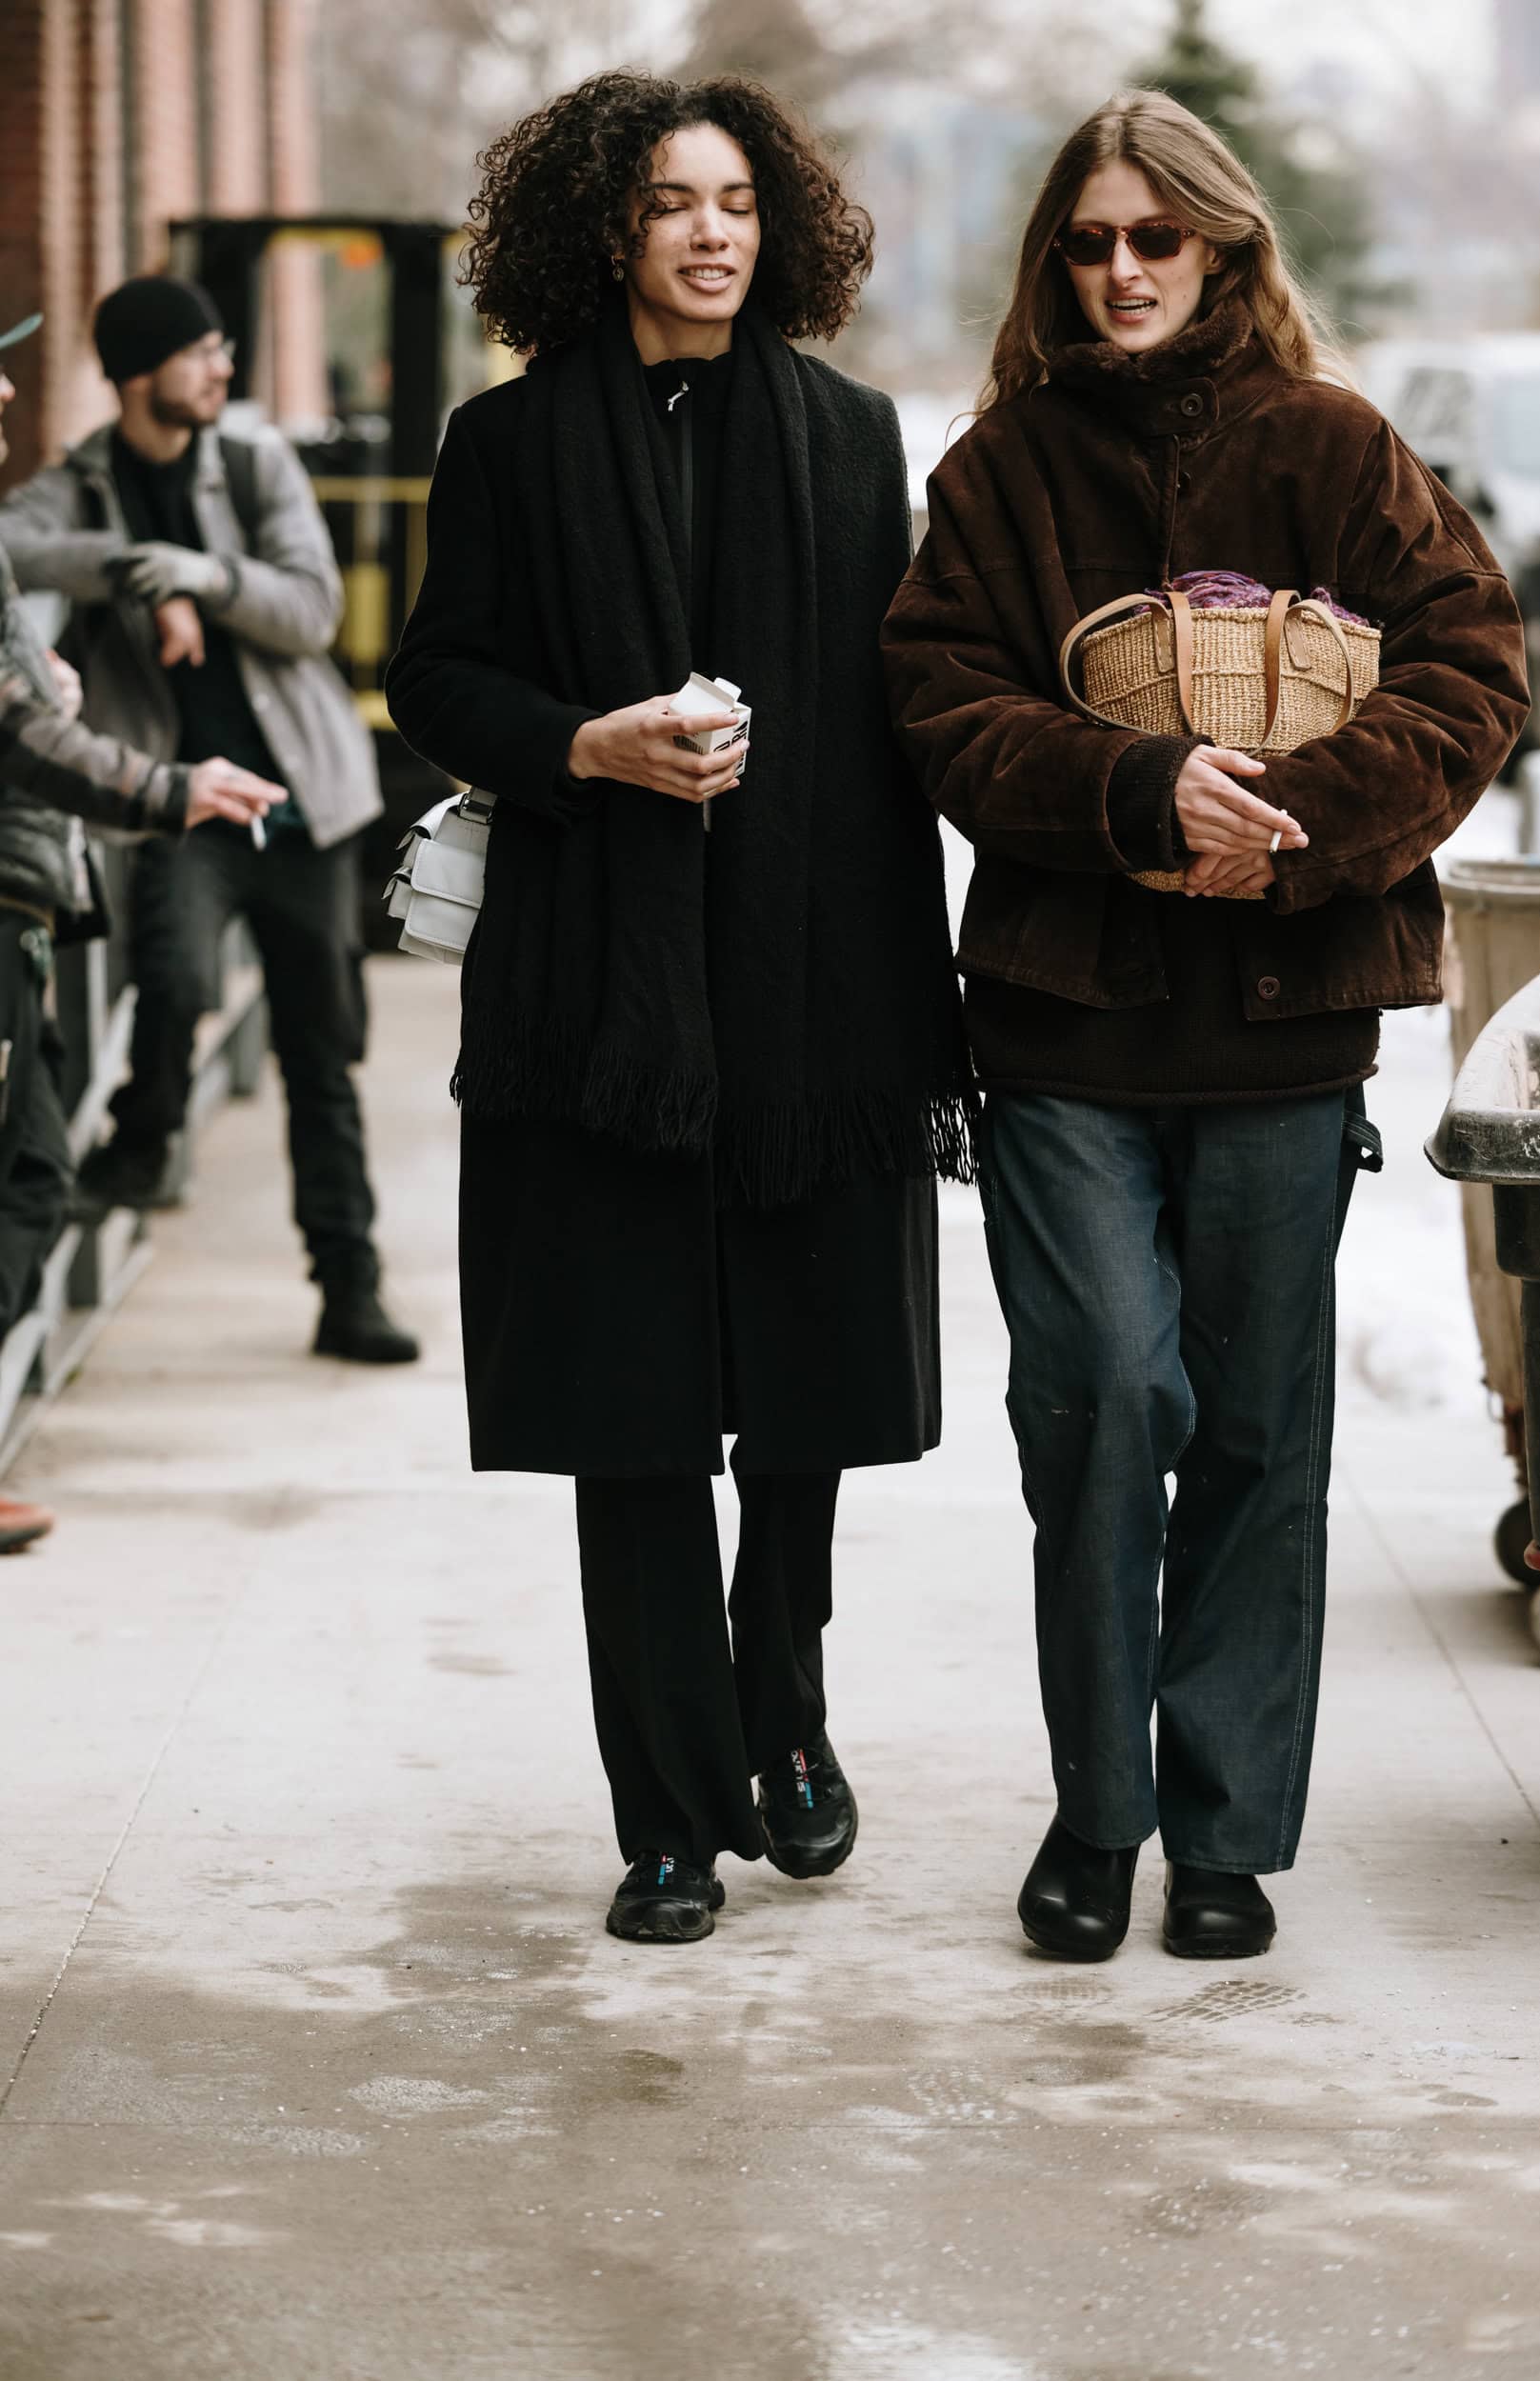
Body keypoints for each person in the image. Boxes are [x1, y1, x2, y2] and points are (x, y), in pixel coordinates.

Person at [882, 90, 1529, 1963]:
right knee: (1096, 1395)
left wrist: (1301, 832)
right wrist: (1137, 784)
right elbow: (935, 702)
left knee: (1253, 1429)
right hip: (1061, 1030)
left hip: (1279, 1030)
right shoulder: (999, 470)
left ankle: (1221, 1827)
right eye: (1086, 242)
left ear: (1222, 246)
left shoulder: (1334, 447)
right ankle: (1095, 1813)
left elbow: (1469, 668)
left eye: (1150, 237)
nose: (1116, 270)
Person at [385, 71, 973, 1944]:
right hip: (594, 1011)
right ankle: (663, 1808)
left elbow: (887, 744)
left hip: (809, 1001)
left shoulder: (849, 433)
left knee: (794, 1395)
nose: (708, 231)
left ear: (773, 226)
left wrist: (916, 1020)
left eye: (733, 200)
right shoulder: (504, 443)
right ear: (601, 230)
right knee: (628, 1414)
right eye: (666, 201)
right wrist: (586, 745)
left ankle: (779, 1714)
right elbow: (437, 683)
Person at [0, 276, 418, 1365]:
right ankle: (143, 1145)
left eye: (224, 348)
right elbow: (13, 547)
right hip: (182, 807)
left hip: (298, 805)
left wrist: (203, 573)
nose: (222, 369)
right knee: (174, 985)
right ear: (139, 372)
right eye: (199, 353)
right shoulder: (83, 480)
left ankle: (349, 1286)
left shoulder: (252, 459)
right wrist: (135, 577)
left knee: (318, 1054)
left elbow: (309, 608)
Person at [0, 308, 283, 1550]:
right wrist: (172, 787)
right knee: (28, 1175)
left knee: (32, 1170)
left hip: (36, 881)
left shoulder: (248, 464)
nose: (5, 407)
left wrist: (152, 591)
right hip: (24, 876)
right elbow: (18, 730)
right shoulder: (64, 489)